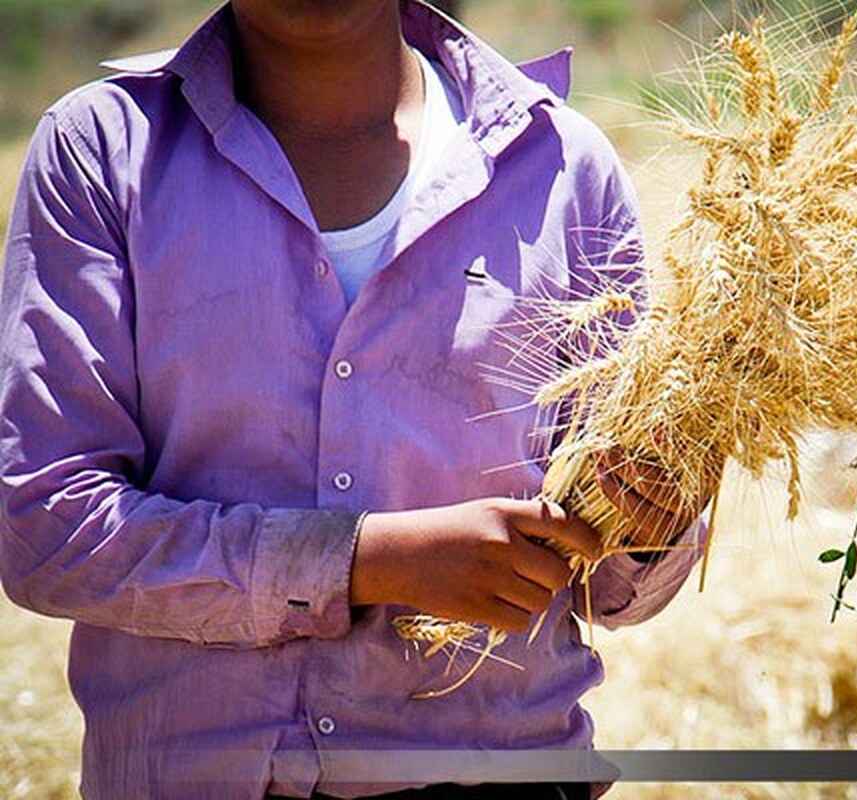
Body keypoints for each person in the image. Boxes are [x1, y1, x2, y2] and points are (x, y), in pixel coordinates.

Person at [0, 1, 714, 798]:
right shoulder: (102, 153)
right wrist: (366, 563)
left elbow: (615, 586)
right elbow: (47, 529)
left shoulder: (558, 166)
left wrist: (651, 519)